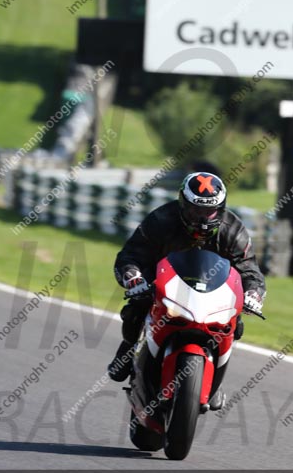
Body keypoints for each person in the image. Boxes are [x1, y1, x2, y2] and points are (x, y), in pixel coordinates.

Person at [107, 171, 266, 410]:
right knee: (135, 307)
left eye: (209, 212)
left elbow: (249, 269)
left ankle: (213, 383)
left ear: (220, 208)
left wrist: (253, 292)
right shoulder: (161, 220)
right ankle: (128, 349)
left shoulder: (233, 230)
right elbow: (132, 254)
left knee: (235, 324)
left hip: (212, 289)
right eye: (195, 211)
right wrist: (133, 276)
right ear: (183, 204)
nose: (202, 218)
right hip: (162, 280)